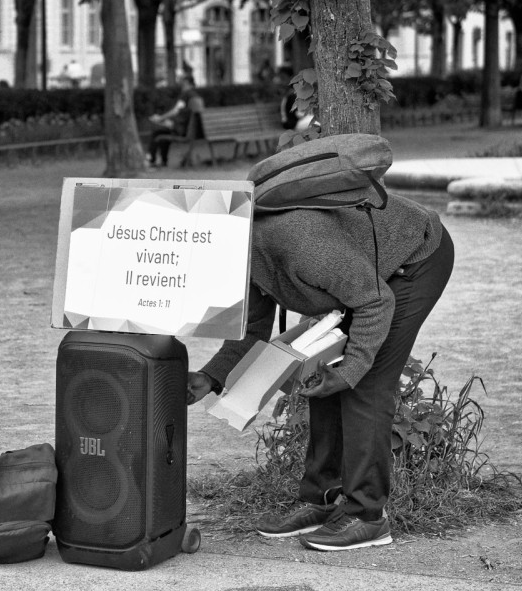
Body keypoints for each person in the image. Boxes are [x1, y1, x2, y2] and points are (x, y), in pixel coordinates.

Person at [186, 134, 455, 552]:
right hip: (362, 277)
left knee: (363, 382)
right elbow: (252, 328)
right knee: (319, 378)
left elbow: (375, 302)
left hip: (412, 262)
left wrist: (349, 370)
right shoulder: (242, 259)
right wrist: (211, 377)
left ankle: (368, 515)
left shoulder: (300, 244)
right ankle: (322, 498)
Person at [147, 76, 205, 168]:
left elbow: (175, 111)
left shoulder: (186, 95)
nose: (179, 83)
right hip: (194, 131)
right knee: (163, 133)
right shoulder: (196, 96)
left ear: (186, 82)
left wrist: (160, 118)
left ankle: (152, 160)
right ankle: (163, 161)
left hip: (183, 131)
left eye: (181, 80)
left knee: (157, 133)